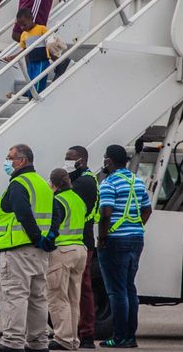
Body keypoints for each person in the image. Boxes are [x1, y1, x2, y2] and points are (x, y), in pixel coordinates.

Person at [0, 144, 61, 352]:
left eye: (10, 158)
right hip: (39, 253)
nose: (7, 162)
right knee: (37, 298)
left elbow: (22, 212)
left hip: (18, 249)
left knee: (14, 295)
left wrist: (36, 237)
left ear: (22, 161)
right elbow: (57, 212)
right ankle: (38, 343)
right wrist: (49, 237)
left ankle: (12, 342)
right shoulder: (43, 184)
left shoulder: (18, 184)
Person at [97, 145, 152, 348]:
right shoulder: (137, 180)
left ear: (108, 161)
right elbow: (148, 209)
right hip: (136, 238)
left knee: (116, 291)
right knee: (129, 288)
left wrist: (102, 238)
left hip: (114, 240)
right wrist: (135, 227)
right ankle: (130, 337)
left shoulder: (108, 183)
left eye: (104, 158)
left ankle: (119, 337)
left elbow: (105, 213)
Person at [46, 168, 88, 351]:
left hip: (62, 251)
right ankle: (72, 340)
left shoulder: (58, 200)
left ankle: (63, 338)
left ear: (53, 183)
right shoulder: (78, 199)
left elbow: (53, 226)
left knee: (57, 296)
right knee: (73, 298)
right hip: (80, 250)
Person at [65, 146, 99, 349]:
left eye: (70, 158)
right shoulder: (82, 179)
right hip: (77, 241)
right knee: (72, 289)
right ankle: (74, 331)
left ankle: (86, 334)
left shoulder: (84, 182)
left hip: (82, 241)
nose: (67, 161)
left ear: (81, 160)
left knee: (81, 289)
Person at [4, 8, 51, 94]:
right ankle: (31, 99)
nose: (22, 28)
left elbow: (51, 41)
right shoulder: (24, 35)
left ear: (31, 19)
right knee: (31, 84)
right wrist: (13, 57)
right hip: (31, 63)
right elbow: (25, 50)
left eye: (24, 25)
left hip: (42, 61)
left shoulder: (42, 29)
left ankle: (36, 99)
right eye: (20, 26)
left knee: (38, 83)